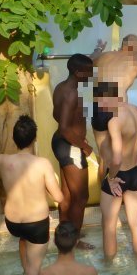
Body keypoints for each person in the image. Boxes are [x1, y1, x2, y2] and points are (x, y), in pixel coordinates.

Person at [0, 115, 61, 275]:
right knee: (34, 273)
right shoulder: (43, 164)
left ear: (14, 139)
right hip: (36, 225)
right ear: (34, 139)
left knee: (23, 240)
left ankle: (26, 270)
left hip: (13, 223)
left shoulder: (3, 160)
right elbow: (58, 198)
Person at [92, 85, 137, 260]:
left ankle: (110, 268)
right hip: (135, 172)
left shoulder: (114, 121)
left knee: (109, 226)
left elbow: (116, 159)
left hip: (118, 175)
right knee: (135, 222)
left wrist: (111, 178)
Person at [51, 53, 95, 247]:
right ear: (78, 73)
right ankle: (73, 240)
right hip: (71, 147)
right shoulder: (72, 93)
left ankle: (65, 232)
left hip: (62, 143)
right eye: (88, 72)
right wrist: (83, 145)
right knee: (81, 196)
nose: (91, 75)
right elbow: (64, 127)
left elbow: (56, 115)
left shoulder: (61, 87)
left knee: (67, 194)